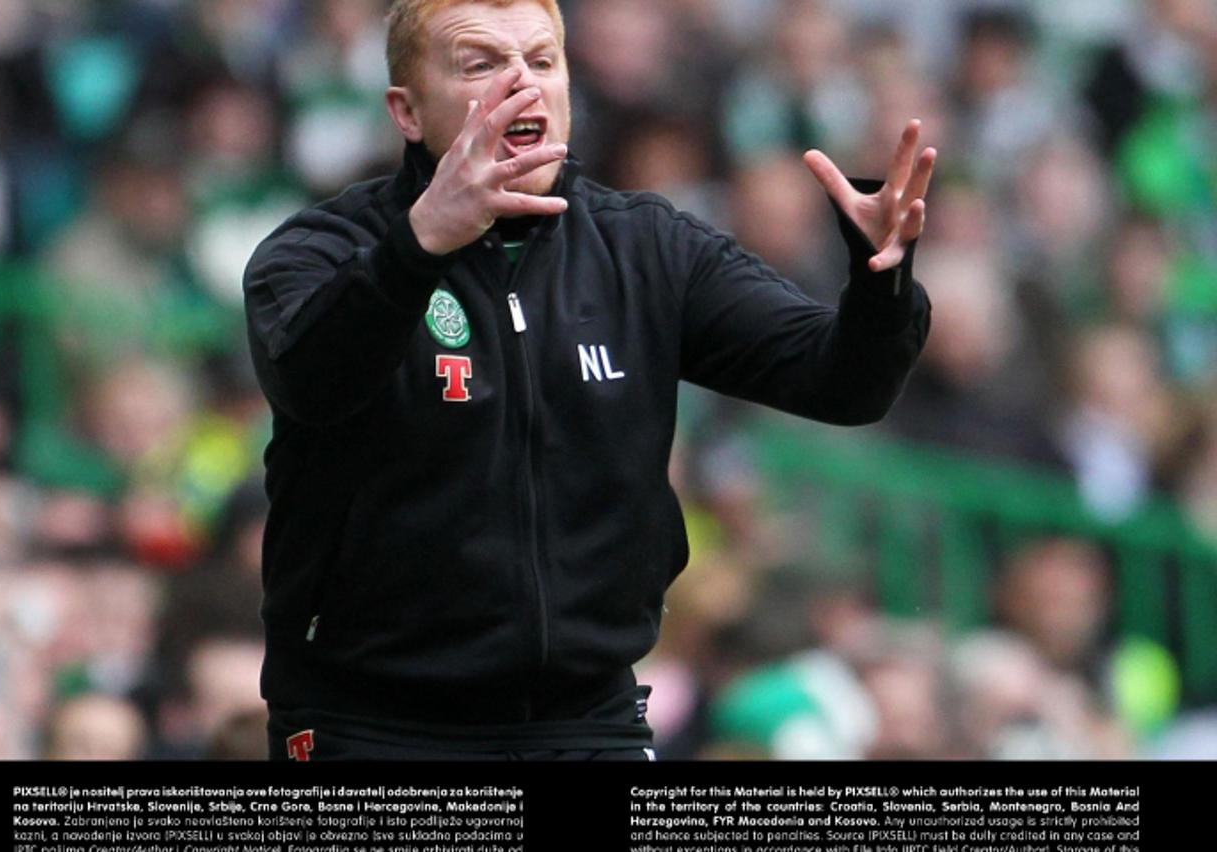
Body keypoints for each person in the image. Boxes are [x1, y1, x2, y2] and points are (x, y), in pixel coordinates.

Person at [243, 0, 935, 761]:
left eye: (542, 60)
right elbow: (312, 381)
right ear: (406, 111)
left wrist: (882, 283)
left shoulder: (646, 249)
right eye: (481, 64)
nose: (522, 83)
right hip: (369, 720)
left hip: (585, 718)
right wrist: (421, 244)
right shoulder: (320, 249)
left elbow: (843, 385)